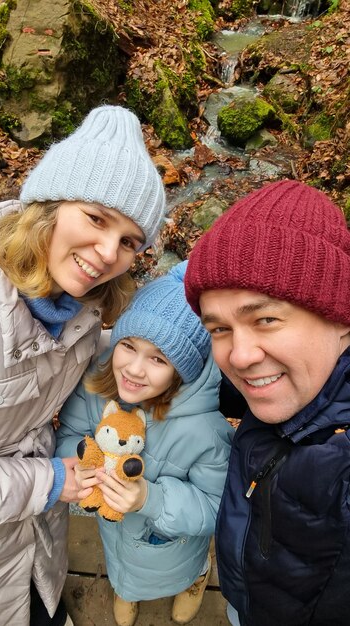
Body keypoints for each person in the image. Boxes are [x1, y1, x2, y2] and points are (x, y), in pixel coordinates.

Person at [0, 104, 165, 626]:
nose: (107, 252)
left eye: (129, 242)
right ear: (47, 206)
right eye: (96, 218)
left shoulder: (84, 308)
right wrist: (47, 482)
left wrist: (168, 354)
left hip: (29, 534)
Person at [184, 179, 350, 626]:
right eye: (219, 329)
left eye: (267, 319)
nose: (238, 356)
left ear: (342, 320)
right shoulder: (295, 385)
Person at [55, 261, 232, 626]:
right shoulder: (95, 388)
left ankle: (196, 579)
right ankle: (125, 588)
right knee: (123, 567)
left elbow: (216, 506)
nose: (134, 369)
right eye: (128, 346)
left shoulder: (205, 431)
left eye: (157, 359)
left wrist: (150, 499)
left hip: (172, 543)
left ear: (181, 370)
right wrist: (83, 458)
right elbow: (69, 435)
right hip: (115, 534)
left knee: (179, 568)